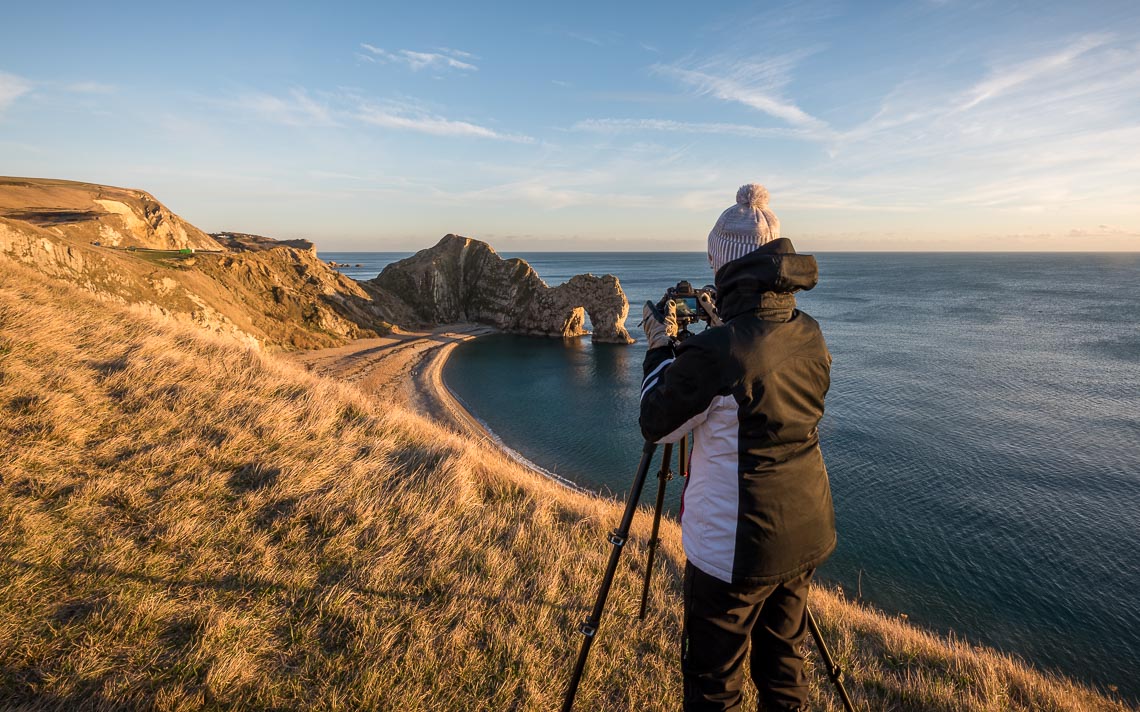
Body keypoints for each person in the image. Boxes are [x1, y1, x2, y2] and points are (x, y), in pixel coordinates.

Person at [639, 183, 836, 711]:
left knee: (713, 684)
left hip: (733, 551)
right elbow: (762, 381)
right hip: (804, 532)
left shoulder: (718, 351)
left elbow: (656, 424)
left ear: (724, 265)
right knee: (783, 670)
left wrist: (661, 350)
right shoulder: (810, 333)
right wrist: (722, 332)